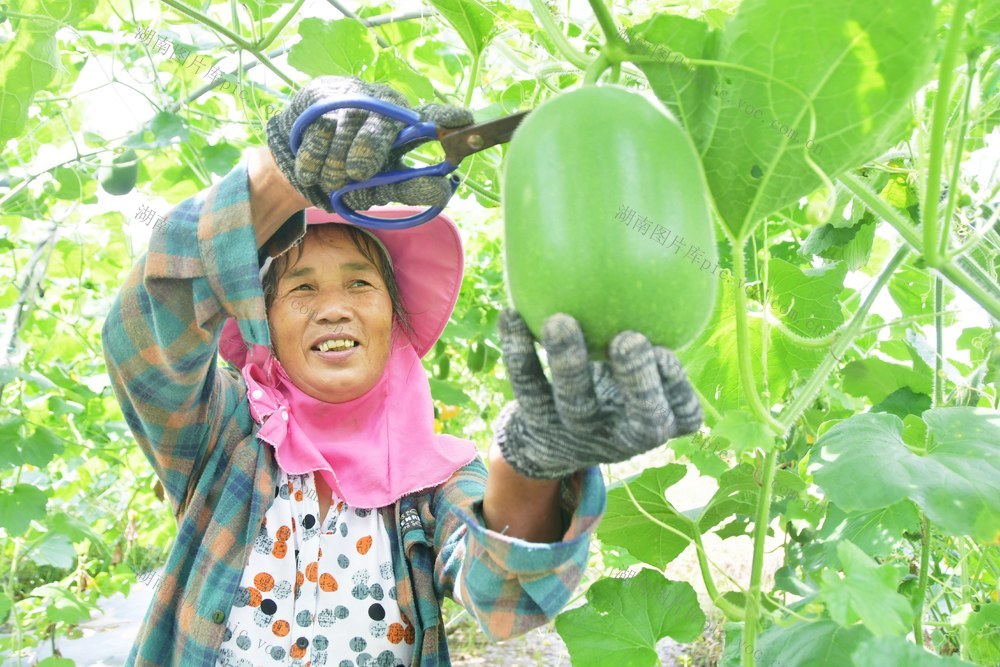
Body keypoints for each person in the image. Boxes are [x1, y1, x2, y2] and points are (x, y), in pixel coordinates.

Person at [101, 76, 703, 667]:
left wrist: (536, 465)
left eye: (360, 284)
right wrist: (280, 182)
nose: (333, 306)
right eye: (301, 288)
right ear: (266, 326)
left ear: (394, 322)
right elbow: (142, 334)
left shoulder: (435, 480)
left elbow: (504, 602)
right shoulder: (224, 432)